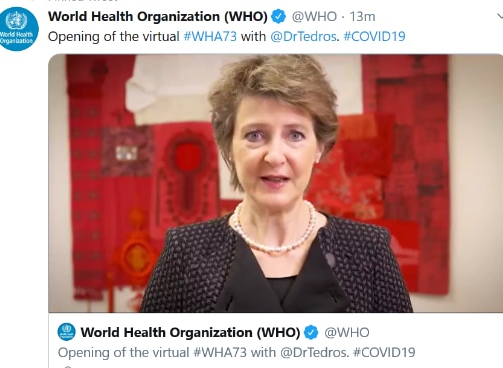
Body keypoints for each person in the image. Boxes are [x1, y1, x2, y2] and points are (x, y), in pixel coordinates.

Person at [140, 55, 413, 313]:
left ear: (319, 147)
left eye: (295, 134)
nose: (274, 156)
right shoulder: (185, 252)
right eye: (255, 135)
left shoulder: (369, 250)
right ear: (229, 147)